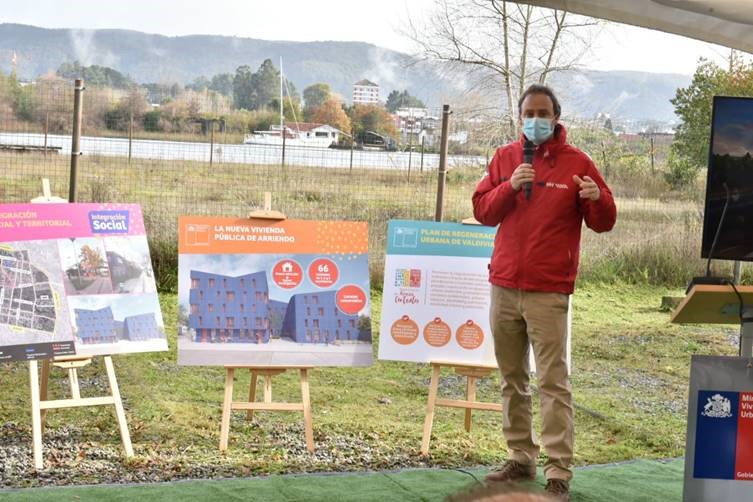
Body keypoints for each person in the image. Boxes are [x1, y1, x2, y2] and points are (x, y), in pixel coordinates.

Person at [472, 84, 617, 501]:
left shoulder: (578, 162)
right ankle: (520, 456)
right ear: (520, 118)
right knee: (511, 379)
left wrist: (598, 198)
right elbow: (483, 210)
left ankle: (558, 472)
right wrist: (509, 186)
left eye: (543, 112)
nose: (536, 119)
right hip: (503, 285)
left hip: (548, 290)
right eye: (529, 113)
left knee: (553, 382)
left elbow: (603, 220)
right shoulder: (504, 158)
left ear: (556, 116)